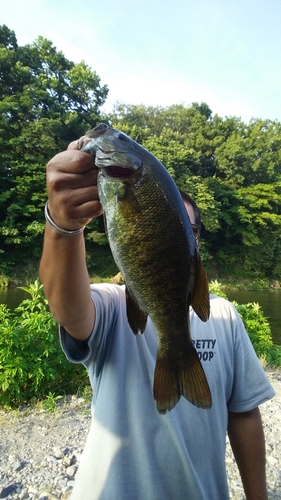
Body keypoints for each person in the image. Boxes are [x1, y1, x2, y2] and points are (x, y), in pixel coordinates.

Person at [39, 137, 275, 500]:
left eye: (186, 226)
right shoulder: (111, 306)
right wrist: (63, 225)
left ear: (194, 241)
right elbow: (69, 310)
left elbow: (243, 414)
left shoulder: (225, 315)